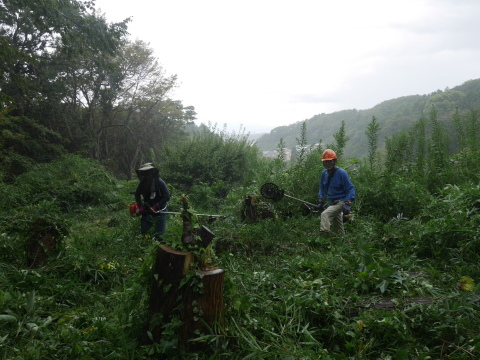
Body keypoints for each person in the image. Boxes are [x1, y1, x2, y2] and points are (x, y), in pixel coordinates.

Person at [317, 149, 355, 235]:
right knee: (338, 226)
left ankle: (325, 237)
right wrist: (320, 201)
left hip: (341, 201)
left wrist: (348, 203)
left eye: (330, 161)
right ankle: (342, 241)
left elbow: (350, 188)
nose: (328, 164)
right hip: (331, 202)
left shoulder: (341, 173)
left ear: (334, 161)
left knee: (325, 214)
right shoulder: (324, 174)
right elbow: (322, 188)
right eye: (326, 162)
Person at [134, 163, 170, 240]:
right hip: (147, 209)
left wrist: (156, 206)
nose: (147, 174)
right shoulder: (142, 183)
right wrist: (140, 206)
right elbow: (137, 194)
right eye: (145, 172)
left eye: (148, 172)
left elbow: (167, 197)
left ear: (152, 172)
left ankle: (159, 247)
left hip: (160, 210)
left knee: (160, 235)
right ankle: (146, 245)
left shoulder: (160, 182)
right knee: (144, 232)